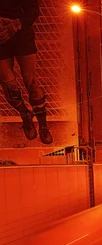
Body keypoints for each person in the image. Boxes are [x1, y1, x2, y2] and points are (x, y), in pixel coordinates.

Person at [0, 0, 52, 144]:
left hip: (22, 34)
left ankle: (43, 126)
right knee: (9, 87)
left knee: (31, 83)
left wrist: (17, 24)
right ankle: (25, 115)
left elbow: (33, 10)